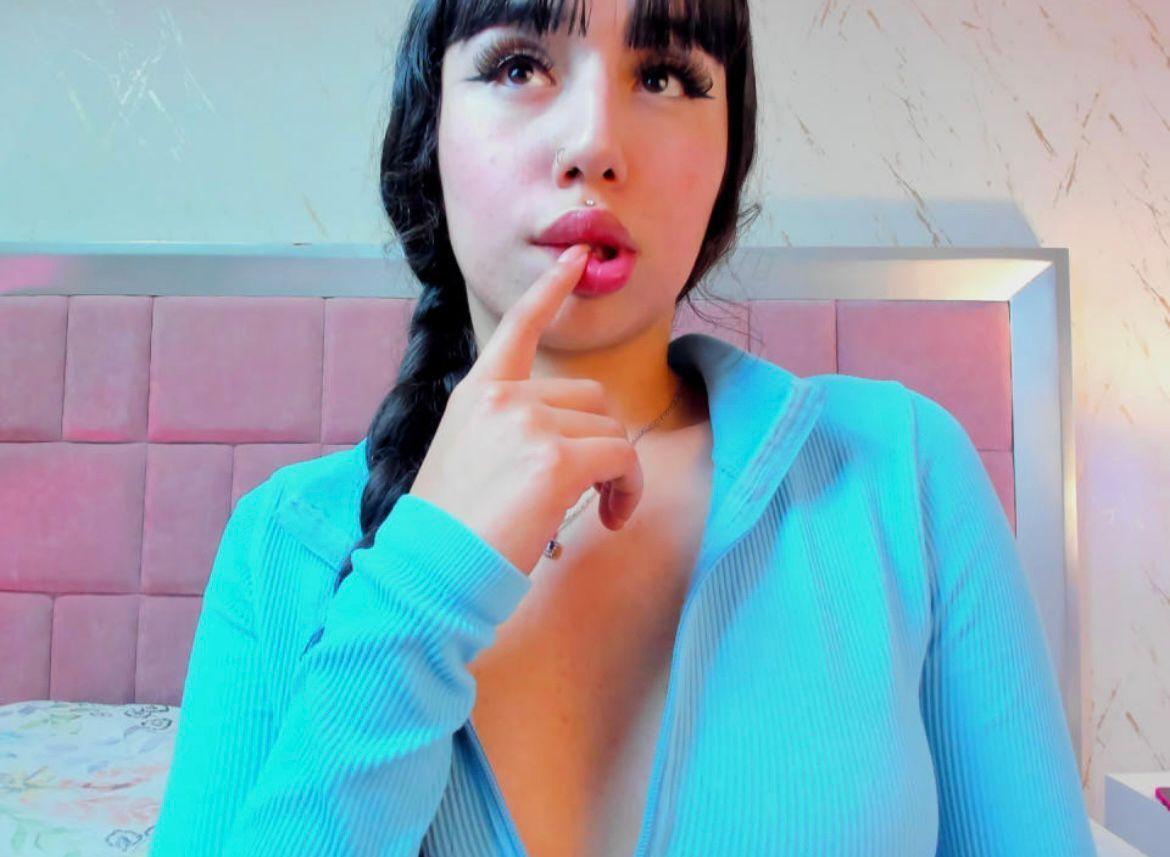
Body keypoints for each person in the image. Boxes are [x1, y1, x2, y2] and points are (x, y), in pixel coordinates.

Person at [149, 0, 1097, 855]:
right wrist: (422, 582)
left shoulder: (900, 472)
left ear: (727, 158)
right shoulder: (283, 542)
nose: (595, 144)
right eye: (519, 65)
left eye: (667, 75)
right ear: (428, 131)